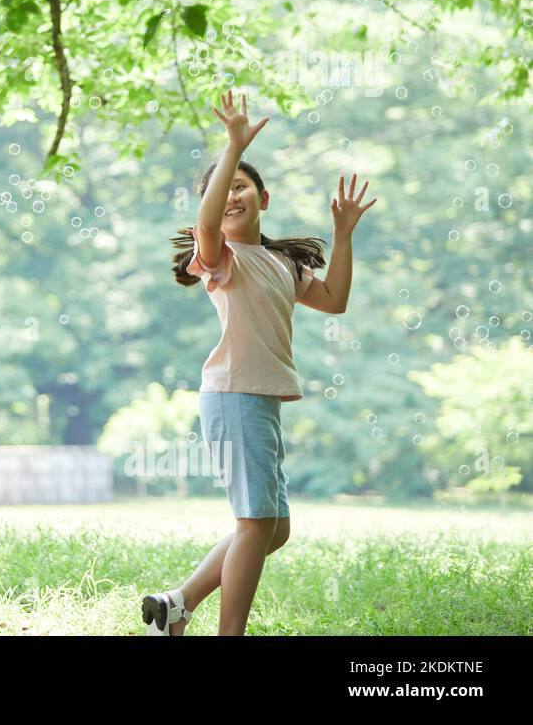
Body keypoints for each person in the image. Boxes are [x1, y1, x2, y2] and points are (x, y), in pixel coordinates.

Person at [141, 89, 375, 635]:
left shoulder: (280, 263)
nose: (230, 197)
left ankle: (176, 606)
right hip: (233, 395)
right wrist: (232, 149)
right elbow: (204, 223)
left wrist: (342, 235)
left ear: (263, 199)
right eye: (222, 191)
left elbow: (334, 298)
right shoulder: (221, 260)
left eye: (241, 186)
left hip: (259, 402)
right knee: (254, 523)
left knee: (274, 528)